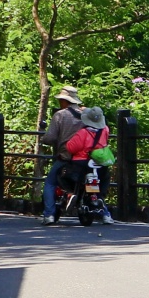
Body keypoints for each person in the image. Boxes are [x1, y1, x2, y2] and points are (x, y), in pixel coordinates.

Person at [38, 86, 86, 225]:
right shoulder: (86, 115)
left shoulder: (60, 115)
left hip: (66, 157)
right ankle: (105, 213)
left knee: (50, 183)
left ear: (65, 101)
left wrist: (44, 139)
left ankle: (49, 215)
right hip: (85, 158)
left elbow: (51, 137)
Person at [64, 107, 115, 224]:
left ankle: (71, 194)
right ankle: (101, 201)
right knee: (104, 178)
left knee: (64, 175)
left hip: (82, 162)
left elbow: (71, 147)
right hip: (99, 163)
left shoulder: (83, 133)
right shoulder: (105, 130)